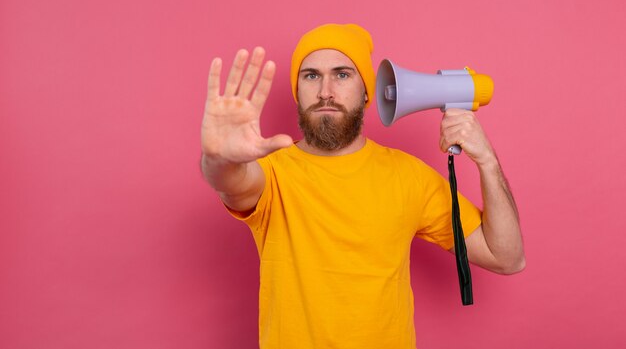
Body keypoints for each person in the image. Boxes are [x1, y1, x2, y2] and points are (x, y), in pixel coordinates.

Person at [200, 23, 525, 349]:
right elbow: (232, 182)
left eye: (342, 75)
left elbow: (507, 257)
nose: (325, 90)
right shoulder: (272, 172)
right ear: (297, 90)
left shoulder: (409, 175)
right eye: (311, 75)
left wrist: (487, 162)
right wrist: (219, 158)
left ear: (367, 90)